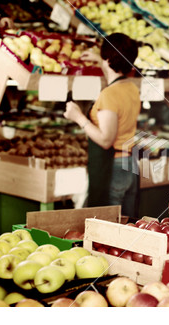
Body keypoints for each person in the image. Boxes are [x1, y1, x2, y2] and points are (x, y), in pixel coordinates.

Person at [64, 33, 141, 219]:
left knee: (107, 230)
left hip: (112, 169)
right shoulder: (131, 88)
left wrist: (79, 117)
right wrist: (100, 59)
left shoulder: (109, 94)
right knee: (126, 227)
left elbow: (106, 140)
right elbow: (115, 67)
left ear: (108, 59)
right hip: (130, 167)